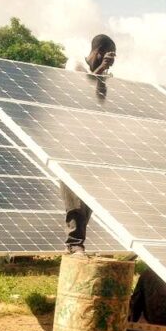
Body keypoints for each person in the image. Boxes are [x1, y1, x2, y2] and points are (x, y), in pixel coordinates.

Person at [62, 34, 117, 253]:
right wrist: (100, 69)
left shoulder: (104, 73)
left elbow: (100, 104)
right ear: (98, 51)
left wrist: (104, 73)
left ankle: (77, 241)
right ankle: (75, 243)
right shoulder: (74, 64)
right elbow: (77, 95)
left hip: (90, 141)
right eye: (107, 55)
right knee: (73, 193)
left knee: (92, 193)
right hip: (68, 139)